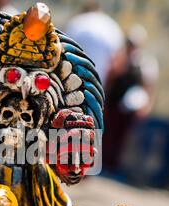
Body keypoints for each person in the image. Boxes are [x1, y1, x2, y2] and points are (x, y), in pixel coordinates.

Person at [102, 24, 158, 173]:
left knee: (121, 138)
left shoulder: (144, 63)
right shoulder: (118, 58)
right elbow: (110, 78)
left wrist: (146, 107)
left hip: (128, 109)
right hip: (113, 104)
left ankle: (113, 167)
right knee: (106, 134)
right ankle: (103, 163)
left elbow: (148, 87)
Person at [64, 2, 124, 87]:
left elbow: (62, 50)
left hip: (71, 84)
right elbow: (117, 65)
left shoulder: (77, 22)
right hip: (97, 88)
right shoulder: (112, 27)